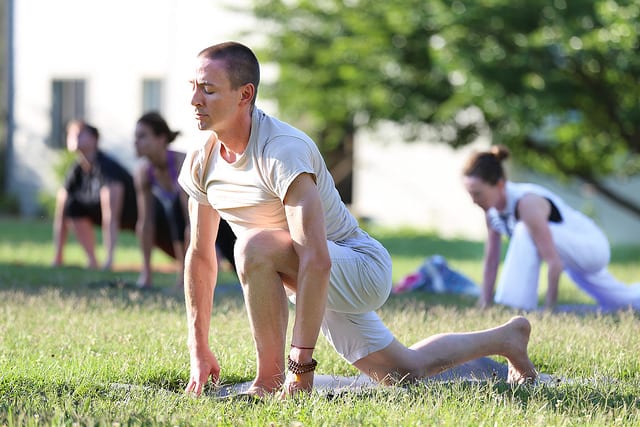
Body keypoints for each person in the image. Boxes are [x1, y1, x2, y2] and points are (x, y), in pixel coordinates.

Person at [177, 41, 538, 398]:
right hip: (307, 280)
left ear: (245, 95)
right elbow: (201, 256)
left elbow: (315, 257)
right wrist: (199, 347)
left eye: (208, 90)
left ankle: (268, 382)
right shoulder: (202, 158)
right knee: (404, 373)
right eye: (193, 87)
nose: (195, 100)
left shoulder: (283, 151)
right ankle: (507, 338)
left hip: (356, 265)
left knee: (253, 245)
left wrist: (301, 367)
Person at [462, 145, 640, 312]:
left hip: (591, 247)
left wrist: (549, 309)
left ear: (500, 185)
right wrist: (484, 303)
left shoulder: (526, 203)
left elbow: (554, 263)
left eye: (478, 193)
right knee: (622, 302)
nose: (474, 201)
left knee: (524, 230)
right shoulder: (491, 211)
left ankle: (515, 306)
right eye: (470, 194)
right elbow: (492, 260)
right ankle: (515, 306)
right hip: (570, 253)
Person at [133, 112, 236, 289]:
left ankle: (191, 276)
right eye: (135, 137)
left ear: (161, 139)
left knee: (240, 264)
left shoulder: (182, 162)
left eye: (142, 136)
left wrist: (184, 278)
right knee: (170, 211)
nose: (136, 142)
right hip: (186, 217)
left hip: (222, 217)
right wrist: (146, 274)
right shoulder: (144, 172)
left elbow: (191, 221)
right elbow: (145, 223)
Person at [52, 120, 137, 270]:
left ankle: (109, 259)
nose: (73, 137)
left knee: (106, 199)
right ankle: (91, 260)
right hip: (103, 214)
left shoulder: (107, 167)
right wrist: (57, 257)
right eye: (70, 134)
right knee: (71, 205)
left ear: (94, 139)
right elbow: (61, 209)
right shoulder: (76, 170)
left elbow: (111, 214)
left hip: (134, 215)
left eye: (79, 133)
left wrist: (109, 262)